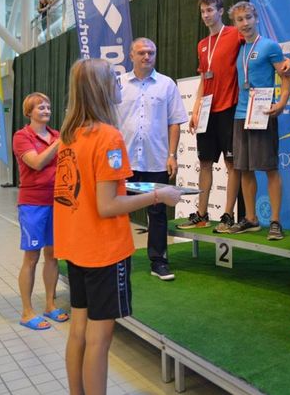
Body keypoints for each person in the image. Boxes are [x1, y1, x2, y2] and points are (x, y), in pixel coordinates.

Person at [53, 58, 182, 395]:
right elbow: (108, 205)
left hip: (76, 247)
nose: (120, 82)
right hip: (103, 251)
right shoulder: (109, 137)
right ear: (100, 87)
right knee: (99, 339)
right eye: (113, 77)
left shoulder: (69, 135)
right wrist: (159, 195)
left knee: (78, 331)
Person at [118, 38, 188, 280]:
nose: (147, 56)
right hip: (124, 162)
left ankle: (159, 262)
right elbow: (110, 122)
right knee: (119, 212)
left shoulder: (167, 85)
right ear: (131, 55)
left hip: (156, 160)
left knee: (157, 213)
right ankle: (118, 259)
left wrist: (172, 155)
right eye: (141, 53)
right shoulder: (118, 84)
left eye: (151, 52)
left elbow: (174, 122)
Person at [177, 0, 241, 233]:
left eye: (210, 10)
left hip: (229, 107)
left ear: (221, 11)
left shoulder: (235, 34)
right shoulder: (202, 45)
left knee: (231, 163)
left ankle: (228, 216)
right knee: (204, 162)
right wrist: (195, 110)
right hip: (207, 111)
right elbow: (204, 78)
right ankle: (201, 214)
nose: (206, 15)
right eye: (203, 11)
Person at [227, 1, 290, 240]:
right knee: (244, 168)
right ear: (235, 24)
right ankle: (251, 218)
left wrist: (282, 102)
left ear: (256, 19)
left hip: (263, 113)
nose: (245, 23)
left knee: (270, 168)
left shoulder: (269, 46)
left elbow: (286, 76)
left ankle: (275, 221)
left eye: (248, 18)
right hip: (241, 114)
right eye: (240, 20)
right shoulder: (239, 48)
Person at [12, 92, 68, 330]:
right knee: (32, 257)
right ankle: (27, 312)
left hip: (58, 202)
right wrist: (60, 142)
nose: (46, 111)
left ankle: (50, 305)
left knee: (53, 255)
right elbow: (36, 163)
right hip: (33, 203)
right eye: (40, 107)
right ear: (29, 112)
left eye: (48, 107)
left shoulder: (56, 135)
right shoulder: (22, 136)